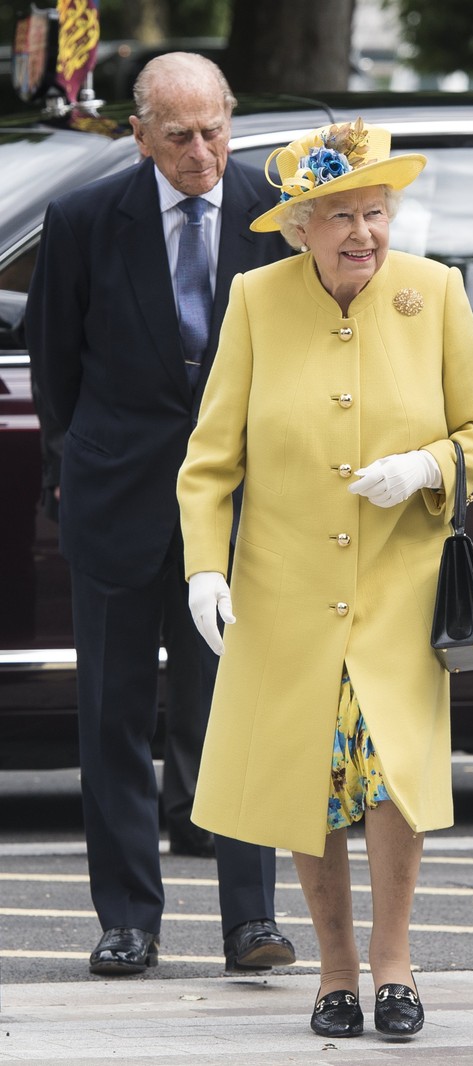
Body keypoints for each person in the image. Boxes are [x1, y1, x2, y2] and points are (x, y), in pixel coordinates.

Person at [177, 118, 473, 1038]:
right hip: (285, 591)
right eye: (343, 217)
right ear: (301, 227)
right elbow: (211, 461)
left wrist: (426, 467)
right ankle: (333, 973)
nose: (364, 233)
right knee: (310, 778)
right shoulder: (254, 299)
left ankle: (396, 967)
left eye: (377, 212)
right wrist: (206, 568)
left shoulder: (435, 293)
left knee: (393, 779)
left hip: (399, 587)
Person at [25, 52, 296, 977]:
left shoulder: (278, 210)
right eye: (177, 136)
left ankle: (250, 922)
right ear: (139, 134)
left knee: (239, 713)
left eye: (214, 129)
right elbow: (55, 365)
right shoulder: (85, 218)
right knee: (113, 715)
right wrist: (82, 463)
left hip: (247, 504)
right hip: (119, 495)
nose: (201, 152)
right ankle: (128, 920)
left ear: (231, 117)